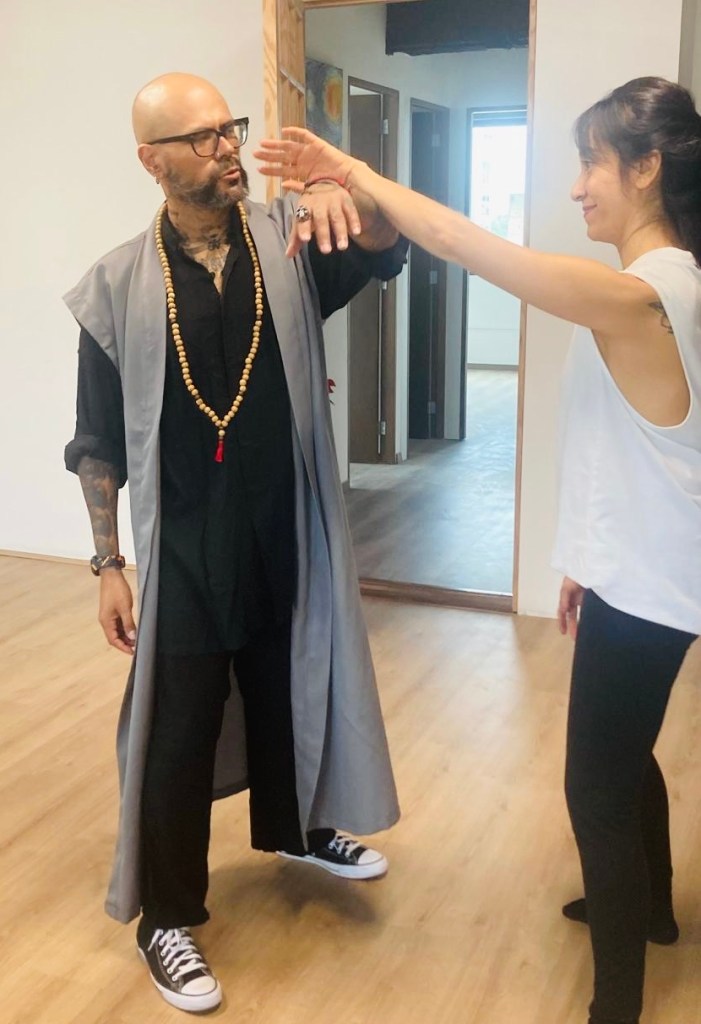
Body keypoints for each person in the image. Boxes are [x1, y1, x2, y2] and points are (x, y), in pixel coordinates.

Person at [256, 76, 701, 1024]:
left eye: (589, 164)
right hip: (635, 570)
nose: (577, 186)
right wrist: (582, 558)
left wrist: (353, 171)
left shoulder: (644, 295)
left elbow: (461, 242)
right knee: (624, 756)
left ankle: (616, 1006)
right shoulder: (666, 289)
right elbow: (636, 446)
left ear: (646, 168)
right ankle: (655, 912)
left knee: (595, 785)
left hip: (654, 586)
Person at [64, 72, 405, 1014]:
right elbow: (96, 443)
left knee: (288, 683)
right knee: (176, 732)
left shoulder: (287, 244)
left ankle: (301, 831)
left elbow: (384, 248)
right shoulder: (115, 288)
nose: (228, 149)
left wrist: (346, 183)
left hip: (283, 522)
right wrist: (107, 564)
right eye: (204, 137)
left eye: (231, 129)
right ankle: (167, 917)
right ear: (153, 161)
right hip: (183, 545)